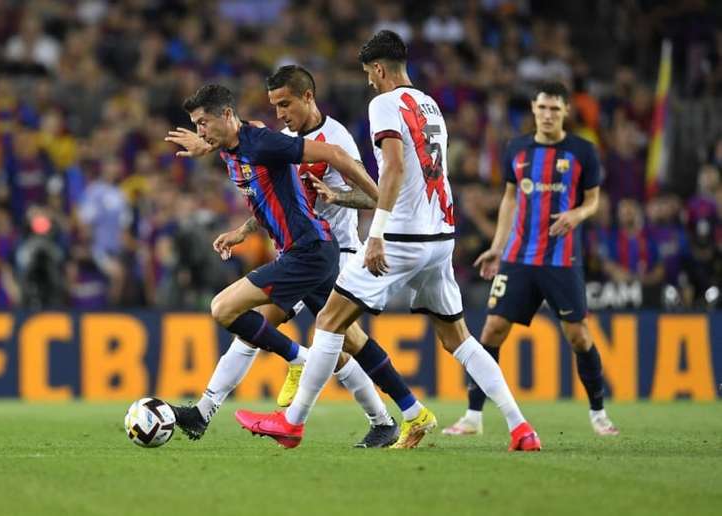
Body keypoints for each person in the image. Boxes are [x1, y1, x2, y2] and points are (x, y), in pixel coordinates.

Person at [236, 30, 540, 452]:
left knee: (329, 321)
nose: (369, 82)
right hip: (441, 234)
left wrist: (374, 233)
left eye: (368, 74)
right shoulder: (430, 105)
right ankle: (521, 427)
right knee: (459, 339)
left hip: (401, 234)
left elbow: (393, 167)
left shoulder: (384, 103)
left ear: (379, 69)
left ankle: (292, 422)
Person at [163, 83, 421, 448]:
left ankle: (220, 405)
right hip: (303, 250)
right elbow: (263, 181)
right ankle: (401, 415)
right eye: (276, 106)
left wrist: (383, 207)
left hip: (330, 248)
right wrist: (209, 149)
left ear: (307, 98)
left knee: (240, 317)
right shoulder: (258, 140)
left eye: (285, 104)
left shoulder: (320, 138)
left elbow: (338, 161)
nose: (281, 113)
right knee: (344, 342)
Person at [442, 81, 619, 437]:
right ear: (534, 111)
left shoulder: (583, 151)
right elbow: (509, 200)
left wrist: (577, 216)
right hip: (518, 257)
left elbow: (594, 200)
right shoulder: (517, 149)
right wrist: (497, 245)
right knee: (492, 329)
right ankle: (473, 416)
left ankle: (598, 412)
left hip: (561, 259)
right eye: (542, 108)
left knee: (578, 336)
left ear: (566, 111)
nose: (548, 115)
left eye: (555, 109)